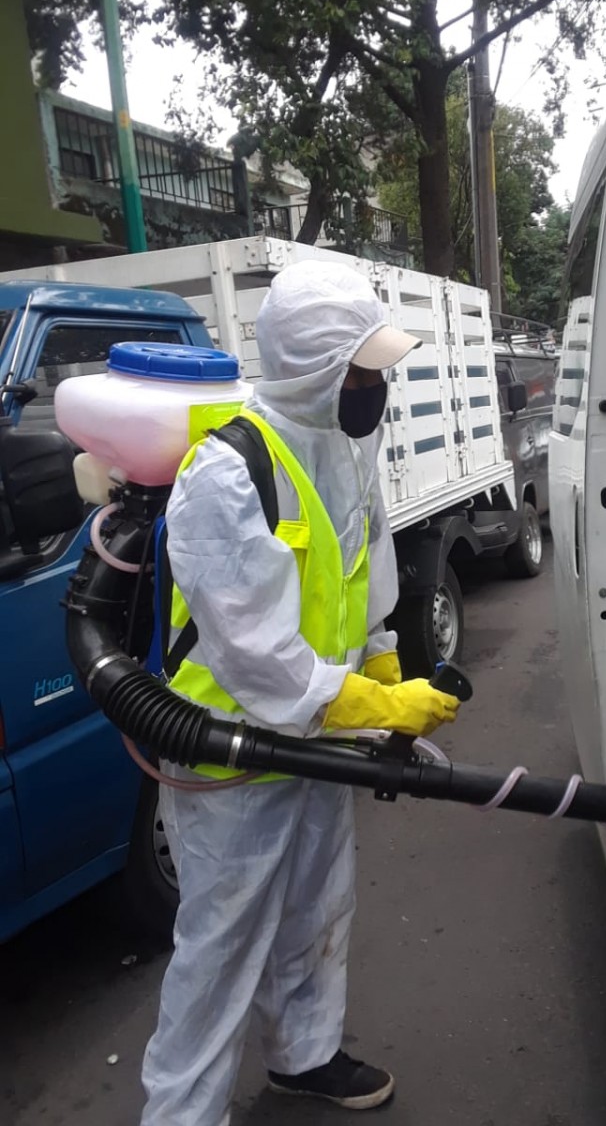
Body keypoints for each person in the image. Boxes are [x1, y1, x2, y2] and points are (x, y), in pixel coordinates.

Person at [140, 260, 460, 1125]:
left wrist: (386, 662)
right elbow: (260, 659)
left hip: (316, 735)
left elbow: (365, 577)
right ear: (317, 369)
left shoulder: (348, 446)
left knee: (319, 901)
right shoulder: (226, 470)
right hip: (231, 750)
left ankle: (305, 1057)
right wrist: (375, 708)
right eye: (361, 371)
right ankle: (178, 1116)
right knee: (222, 946)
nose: (374, 388)